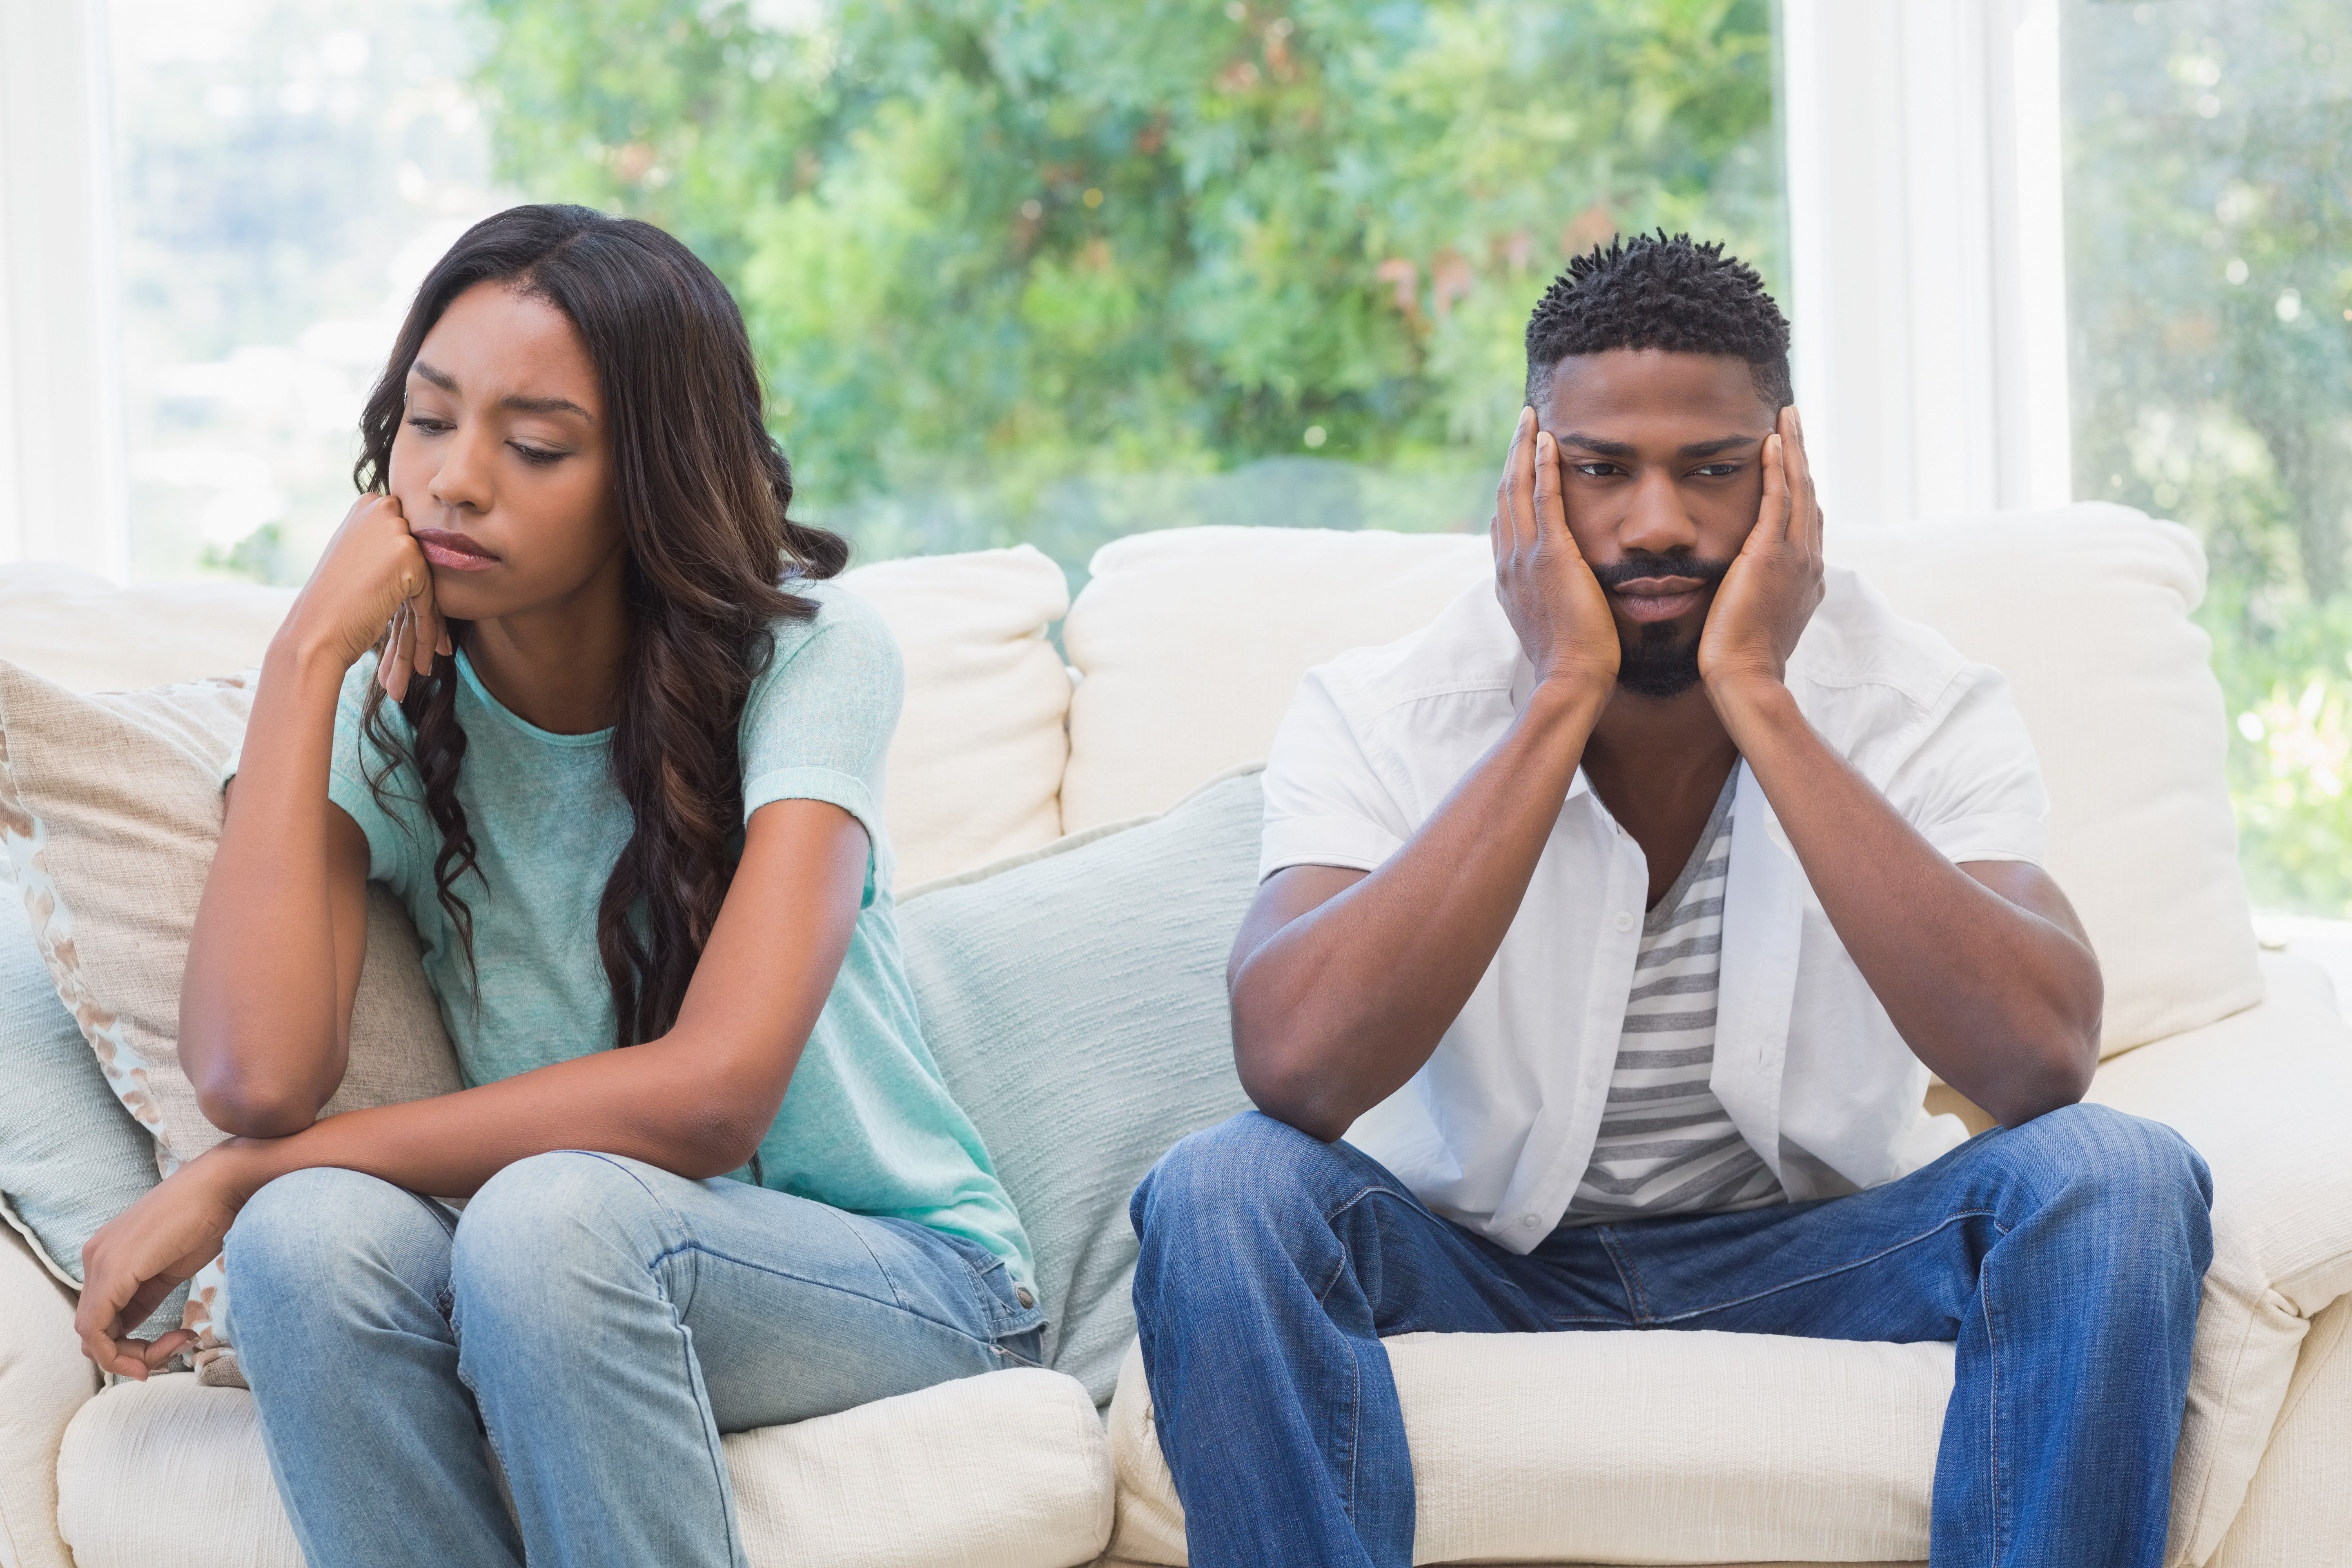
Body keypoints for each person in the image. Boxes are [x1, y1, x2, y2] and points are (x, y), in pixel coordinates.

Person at [1129, 232, 2212, 1568]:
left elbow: (2041, 1060)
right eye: (1600, 473)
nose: (1658, 523)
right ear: (1530, 478)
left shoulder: (1918, 701)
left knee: (2118, 1174)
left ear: (1789, 477)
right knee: (1220, 1189)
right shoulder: (1384, 710)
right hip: (1473, 1259)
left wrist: (1761, 696)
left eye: (1714, 472)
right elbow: (1293, 1070)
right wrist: (1560, 694)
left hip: (1813, 1253)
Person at [70, 204, 1042, 1568]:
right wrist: (303, 660)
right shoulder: (387, 713)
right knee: (306, 1239)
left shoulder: (809, 661)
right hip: (554, 1273)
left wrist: (240, 1174)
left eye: (533, 447)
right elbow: (256, 1075)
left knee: (535, 1210)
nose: (455, 483)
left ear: (648, 474)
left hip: (902, 1280)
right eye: (427, 422)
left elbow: (712, 1098)